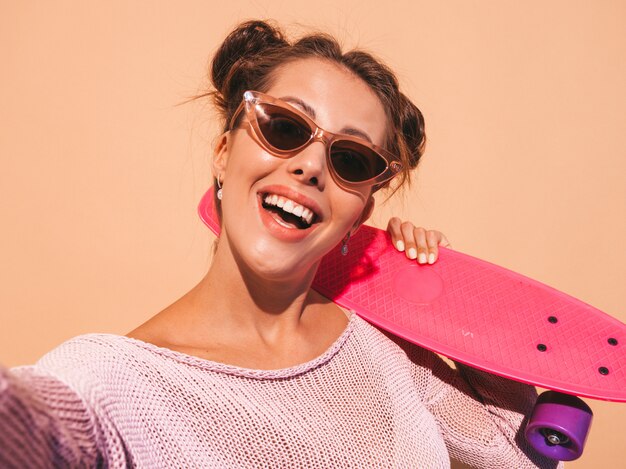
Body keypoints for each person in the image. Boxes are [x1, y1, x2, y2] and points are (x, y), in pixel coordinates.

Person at [0, 20, 561, 468]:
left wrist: (448, 300)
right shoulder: (107, 381)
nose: (312, 165)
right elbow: (30, 430)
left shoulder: (387, 351)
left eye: (350, 160)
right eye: (286, 127)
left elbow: (521, 456)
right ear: (224, 152)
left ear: (360, 211)